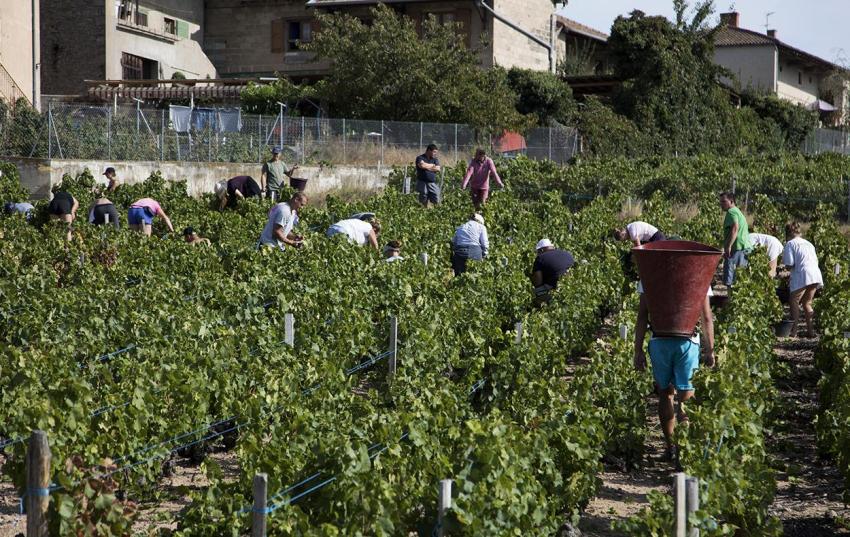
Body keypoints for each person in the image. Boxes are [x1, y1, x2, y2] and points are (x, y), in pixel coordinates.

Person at [634, 282, 715, 462]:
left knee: (665, 395)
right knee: (686, 398)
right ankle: (683, 451)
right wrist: (710, 349)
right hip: (687, 343)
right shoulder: (699, 269)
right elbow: (707, 317)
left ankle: (670, 448)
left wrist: (637, 350)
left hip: (659, 341)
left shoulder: (650, 270)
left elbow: (642, 316)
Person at [782, 222, 823, 338]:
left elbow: (789, 264)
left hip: (803, 274)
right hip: (815, 274)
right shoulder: (809, 244)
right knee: (807, 303)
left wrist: (784, 270)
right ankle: (811, 331)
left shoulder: (790, 244)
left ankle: (793, 331)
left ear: (788, 233)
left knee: (793, 300)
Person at [719, 192, 752, 286]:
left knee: (731, 280)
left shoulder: (731, 211)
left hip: (738, 249)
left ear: (731, 201)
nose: (722, 204)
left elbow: (735, 227)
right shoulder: (738, 211)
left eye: (724, 201)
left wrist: (728, 246)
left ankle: (731, 300)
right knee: (740, 279)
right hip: (743, 248)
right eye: (721, 202)